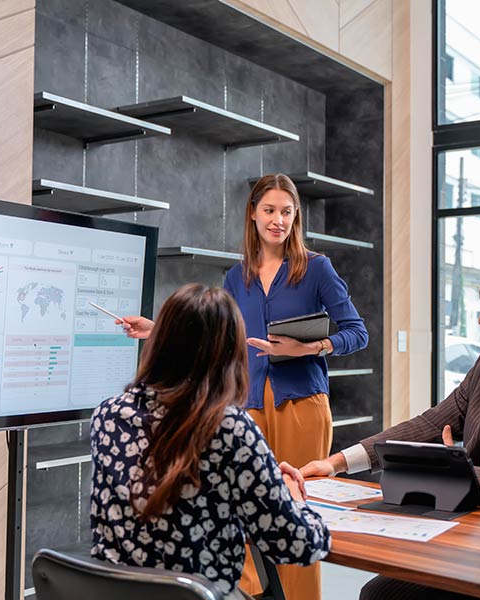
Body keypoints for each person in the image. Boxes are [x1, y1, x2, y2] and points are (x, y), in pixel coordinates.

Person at [118, 173, 368, 599]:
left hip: (302, 403)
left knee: (294, 510)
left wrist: (311, 348)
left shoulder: (316, 268)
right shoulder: (238, 277)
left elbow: (356, 333)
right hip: (246, 405)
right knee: (242, 510)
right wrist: (157, 328)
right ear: (253, 214)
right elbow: (213, 332)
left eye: (287, 212)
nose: (279, 220)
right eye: (270, 211)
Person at [301, 265, 480, 600]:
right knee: (379, 593)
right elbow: (429, 425)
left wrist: (451, 470)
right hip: (476, 532)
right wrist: (339, 462)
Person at [90, 284, 331, 600]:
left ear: (158, 343)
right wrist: (295, 499)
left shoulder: (107, 415)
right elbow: (298, 545)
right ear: (229, 354)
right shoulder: (228, 427)